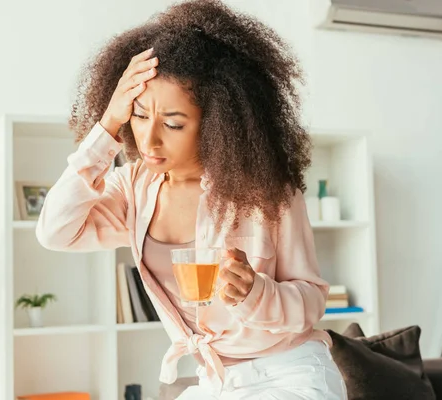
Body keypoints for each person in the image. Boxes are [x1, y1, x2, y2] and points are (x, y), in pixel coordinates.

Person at [35, 0, 347, 398]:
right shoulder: (133, 186)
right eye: (139, 114)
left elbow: (311, 303)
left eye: (173, 123)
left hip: (288, 372)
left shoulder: (267, 190)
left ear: (217, 122)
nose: (149, 139)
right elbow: (55, 232)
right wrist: (107, 126)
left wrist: (256, 292)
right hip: (215, 381)